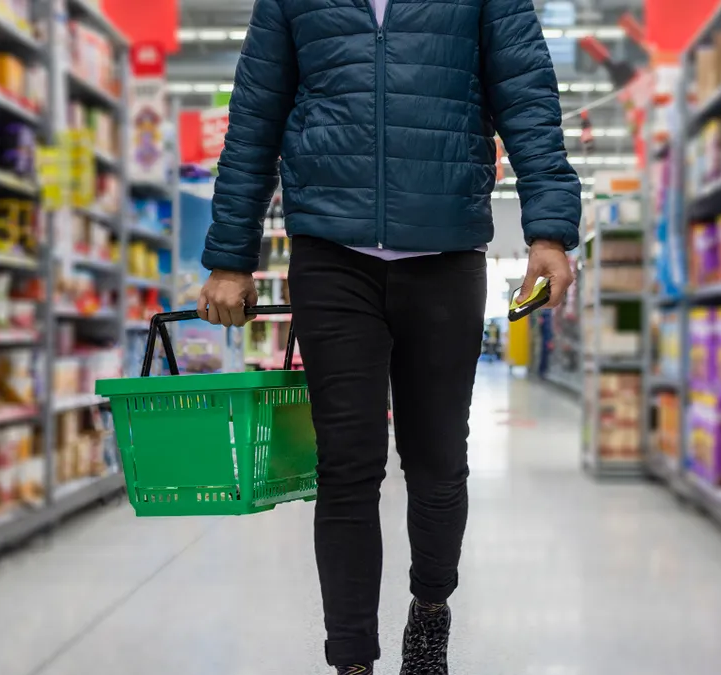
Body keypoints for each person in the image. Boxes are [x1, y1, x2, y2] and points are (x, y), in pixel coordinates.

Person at [197, 0, 581, 672]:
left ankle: (430, 610)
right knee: (346, 467)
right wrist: (231, 255)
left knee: (436, 462)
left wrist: (549, 230)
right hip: (330, 255)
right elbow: (255, 114)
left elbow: (526, 93)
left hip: (445, 252)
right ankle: (351, 660)